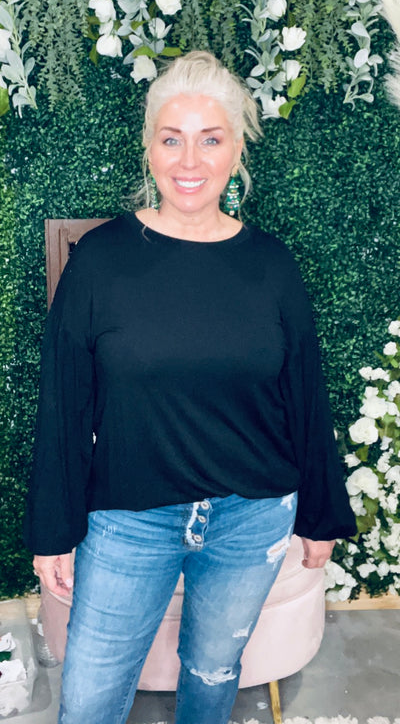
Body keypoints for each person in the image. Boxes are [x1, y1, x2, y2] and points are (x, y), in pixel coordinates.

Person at [24, 51, 356, 724]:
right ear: (149, 147)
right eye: (172, 139)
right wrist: (53, 529)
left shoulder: (271, 265)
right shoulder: (101, 261)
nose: (190, 161)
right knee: (88, 700)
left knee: (213, 673)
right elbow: (64, 403)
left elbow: (305, 391)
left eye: (211, 139)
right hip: (128, 519)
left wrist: (321, 513)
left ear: (236, 151)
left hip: (251, 518)